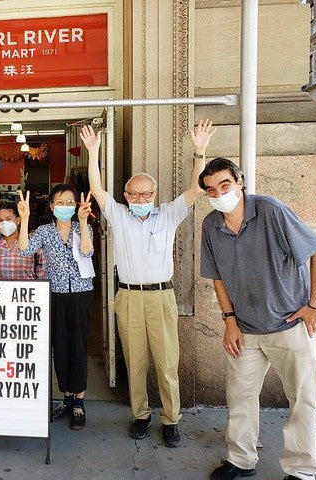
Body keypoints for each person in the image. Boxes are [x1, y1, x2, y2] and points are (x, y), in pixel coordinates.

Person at [80, 119, 216, 448]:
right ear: (125, 196)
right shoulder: (119, 215)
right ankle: (140, 415)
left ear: (154, 195)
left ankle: (171, 419)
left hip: (161, 297)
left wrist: (199, 151)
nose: (140, 197)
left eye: (146, 192)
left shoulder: (168, 214)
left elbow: (196, 189)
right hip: (127, 296)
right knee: (135, 359)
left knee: (167, 361)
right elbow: (97, 190)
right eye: (134, 193)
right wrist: (94, 153)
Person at [199, 158, 316, 480]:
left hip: (289, 325)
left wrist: (315, 305)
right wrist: (229, 320)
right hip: (245, 329)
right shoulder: (210, 225)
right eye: (211, 189)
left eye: (225, 185)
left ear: (240, 182)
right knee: (240, 397)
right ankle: (241, 459)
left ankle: (300, 470)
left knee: (302, 400)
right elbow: (217, 277)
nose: (219, 193)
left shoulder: (270, 211)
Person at [17, 186, 94, 430]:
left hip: (81, 293)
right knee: (59, 346)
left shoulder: (84, 227)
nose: (65, 206)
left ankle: (79, 403)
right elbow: (24, 250)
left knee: (78, 347)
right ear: (51, 206)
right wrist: (25, 218)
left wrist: (82, 222)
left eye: (70, 201)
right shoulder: (44, 231)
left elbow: (87, 251)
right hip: (55, 294)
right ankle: (67, 398)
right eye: (60, 202)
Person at [0, 202, 45, 280]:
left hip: (27, 291)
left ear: (18, 221)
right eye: (0, 220)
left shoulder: (32, 241)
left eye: (8, 219)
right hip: (1, 290)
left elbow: (43, 270)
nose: (4, 223)